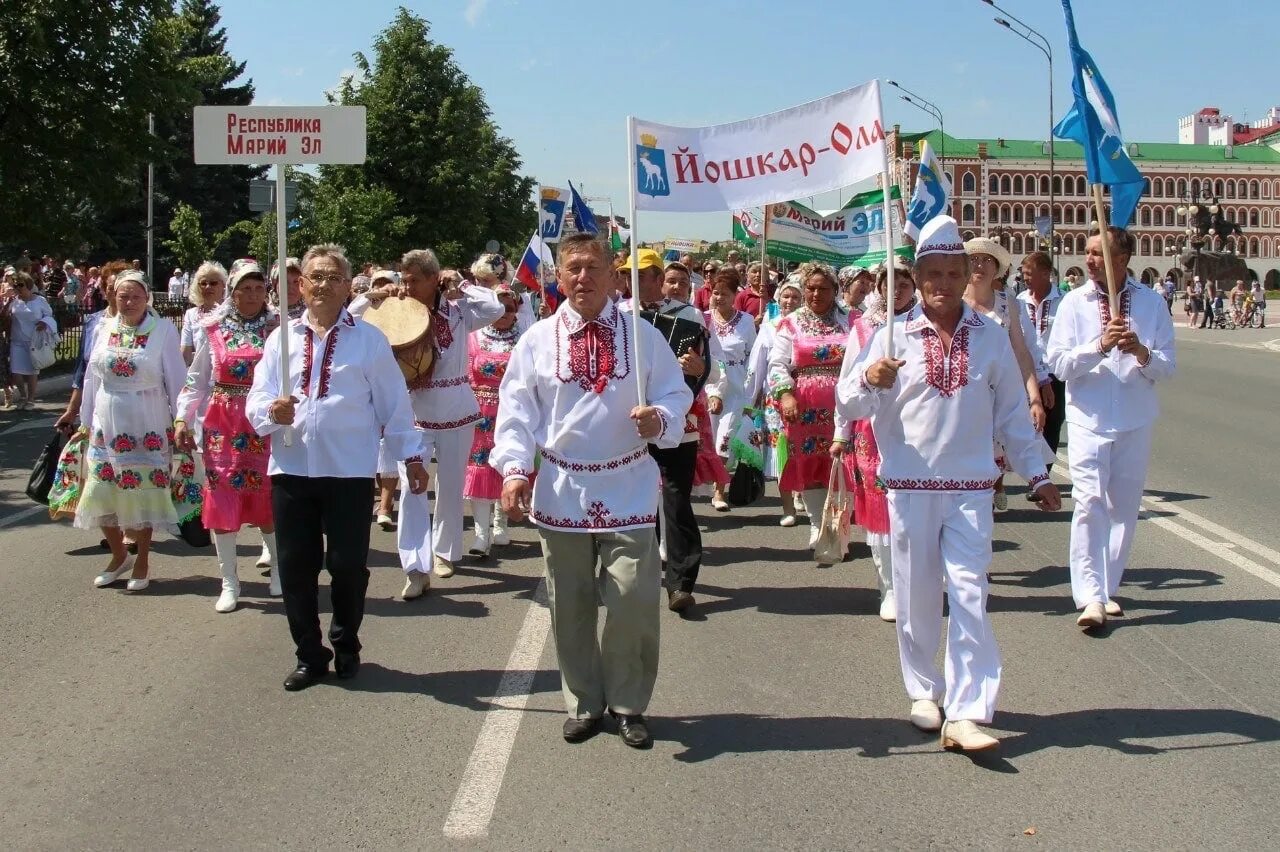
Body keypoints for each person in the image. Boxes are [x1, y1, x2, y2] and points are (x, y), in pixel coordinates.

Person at [837, 215, 1061, 752]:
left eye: (950, 272)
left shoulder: (989, 337)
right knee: (915, 595)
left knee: (969, 592)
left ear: (967, 275)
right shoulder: (892, 334)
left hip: (970, 489)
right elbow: (849, 403)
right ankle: (923, 689)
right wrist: (871, 379)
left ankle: (967, 710)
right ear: (916, 278)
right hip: (910, 487)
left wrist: (1037, 473)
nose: (940, 283)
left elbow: (1011, 412)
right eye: (930, 273)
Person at [490, 232, 693, 748]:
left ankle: (628, 703)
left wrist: (662, 417)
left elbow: (675, 390)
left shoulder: (642, 334)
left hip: (627, 483)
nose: (583, 278)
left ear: (612, 273)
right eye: (573, 268)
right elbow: (516, 411)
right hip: (562, 486)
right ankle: (583, 700)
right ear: (559, 276)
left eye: (592, 267)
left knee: (632, 598)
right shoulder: (537, 339)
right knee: (570, 602)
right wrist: (515, 469)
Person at [247, 244, 428, 691]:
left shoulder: (368, 340)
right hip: (291, 469)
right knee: (295, 567)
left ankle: (346, 642)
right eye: (316, 277)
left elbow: (394, 404)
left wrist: (412, 456)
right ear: (301, 285)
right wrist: (273, 412)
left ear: (349, 287)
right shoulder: (280, 339)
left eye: (333, 277)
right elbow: (256, 399)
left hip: (348, 471)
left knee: (348, 566)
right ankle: (310, 654)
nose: (324, 285)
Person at [351, 250, 503, 594]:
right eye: (404, 279)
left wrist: (462, 284)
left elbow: (494, 307)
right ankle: (415, 566)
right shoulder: (395, 310)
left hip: (456, 411)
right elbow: (352, 318)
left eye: (414, 280)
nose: (407, 286)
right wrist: (373, 296)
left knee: (450, 486)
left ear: (435, 279)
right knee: (413, 489)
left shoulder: (461, 311)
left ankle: (445, 553)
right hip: (413, 414)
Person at [1046, 228, 1176, 630]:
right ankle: (1090, 597)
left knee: (1122, 508)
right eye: (1087, 252)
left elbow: (1167, 367)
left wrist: (1141, 352)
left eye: (1099, 253)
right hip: (1089, 419)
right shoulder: (1073, 303)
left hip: (1134, 419)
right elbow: (1059, 365)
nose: (1089, 260)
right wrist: (1099, 346)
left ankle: (1106, 586)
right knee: (1088, 502)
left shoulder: (1152, 305)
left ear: (1123, 259)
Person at [175, 261, 281, 612]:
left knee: (266, 496)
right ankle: (230, 581)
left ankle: (279, 570)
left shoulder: (279, 329)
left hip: (264, 424)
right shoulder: (213, 329)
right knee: (222, 500)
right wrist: (181, 419)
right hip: (222, 425)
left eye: (257, 288)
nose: (252, 294)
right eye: (244, 288)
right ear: (232, 292)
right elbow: (197, 379)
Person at [77, 271, 187, 592]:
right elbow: (91, 378)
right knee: (100, 489)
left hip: (146, 421)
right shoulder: (103, 327)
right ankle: (119, 554)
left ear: (147, 299)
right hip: (106, 420)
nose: (128, 302)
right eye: (122, 296)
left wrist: (181, 422)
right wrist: (85, 418)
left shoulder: (163, 330)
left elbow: (176, 381)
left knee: (142, 492)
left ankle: (142, 560)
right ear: (114, 297)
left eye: (135, 296)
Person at [618, 248, 708, 612]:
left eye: (639, 275)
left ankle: (681, 581)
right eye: (626, 274)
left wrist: (700, 369)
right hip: (628, 423)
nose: (631, 281)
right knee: (635, 499)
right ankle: (641, 570)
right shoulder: (619, 316)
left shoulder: (690, 316)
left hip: (676, 422)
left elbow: (703, 371)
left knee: (675, 498)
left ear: (657, 278)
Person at [843, 258, 916, 621]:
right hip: (871, 434)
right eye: (889, 284)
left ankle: (913, 584)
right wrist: (840, 435)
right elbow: (847, 385)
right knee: (880, 511)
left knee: (912, 510)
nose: (897, 291)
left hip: (916, 433)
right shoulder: (861, 330)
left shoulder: (925, 326)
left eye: (904, 283)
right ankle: (888, 586)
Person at [768, 261, 852, 551]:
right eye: (811, 288)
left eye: (823, 288)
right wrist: (786, 394)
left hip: (844, 406)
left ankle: (840, 528)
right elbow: (777, 364)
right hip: (804, 407)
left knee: (843, 463)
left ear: (835, 290)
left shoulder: (852, 320)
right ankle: (818, 523)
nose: (816, 294)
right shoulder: (791, 322)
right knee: (811, 463)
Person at [962, 237, 1045, 511]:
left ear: (996, 268)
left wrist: (1034, 397)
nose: (980, 265)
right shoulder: (955, 302)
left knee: (989, 471)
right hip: (962, 395)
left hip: (998, 396)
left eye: (987, 260)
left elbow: (1021, 353)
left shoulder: (1007, 303)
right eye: (974, 259)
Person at [464, 281, 525, 556]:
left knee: (506, 468)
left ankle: (500, 525)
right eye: (499, 308)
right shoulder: (474, 337)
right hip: (479, 415)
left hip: (510, 413)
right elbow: (464, 375)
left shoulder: (524, 339)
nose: (504, 314)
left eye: (509, 309)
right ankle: (481, 534)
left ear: (516, 311)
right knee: (478, 471)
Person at [745, 276, 805, 525]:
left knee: (805, 448)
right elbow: (757, 366)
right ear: (778, 299)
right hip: (777, 399)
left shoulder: (809, 327)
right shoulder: (770, 327)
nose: (790, 301)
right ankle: (788, 507)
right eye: (786, 297)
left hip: (808, 396)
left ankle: (805, 493)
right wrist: (750, 401)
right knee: (783, 451)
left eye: (795, 297)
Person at [703, 266, 756, 510]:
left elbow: (753, 357)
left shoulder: (746, 321)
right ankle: (707, 480)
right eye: (715, 292)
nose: (719, 297)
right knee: (709, 437)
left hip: (736, 387)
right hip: (709, 383)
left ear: (735, 294)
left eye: (725, 293)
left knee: (725, 439)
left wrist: (752, 392)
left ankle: (719, 491)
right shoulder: (703, 318)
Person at [1016, 251, 1066, 459]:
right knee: (1027, 423)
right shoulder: (1019, 300)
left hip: (1055, 373)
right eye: (1024, 273)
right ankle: (1034, 473)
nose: (1025, 278)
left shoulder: (1064, 301)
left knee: (1052, 423)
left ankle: (1044, 473)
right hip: (1026, 373)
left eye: (1030, 273)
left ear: (1046, 274)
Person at [7, 271, 55, 409]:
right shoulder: (15, 302)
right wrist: (8, 301)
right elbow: (6, 316)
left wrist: (44, 323)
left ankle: (31, 399)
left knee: (32, 370)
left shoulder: (39, 301)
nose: (18, 288)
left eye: (20, 285)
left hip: (34, 340)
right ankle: (22, 395)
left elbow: (49, 315)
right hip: (17, 340)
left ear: (28, 285)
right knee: (16, 371)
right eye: (15, 285)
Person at [181, 262, 227, 364]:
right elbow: (185, 355)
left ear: (223, 286)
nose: (207, 287)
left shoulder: (231, 314)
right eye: (203, 283)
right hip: (199, 376)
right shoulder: (190, 315)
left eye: (213, 283)